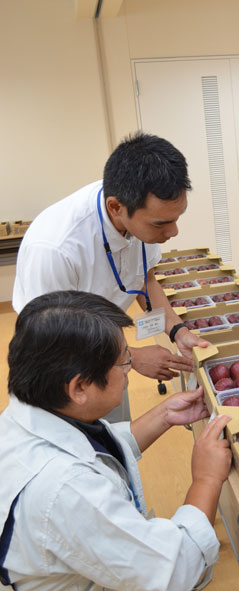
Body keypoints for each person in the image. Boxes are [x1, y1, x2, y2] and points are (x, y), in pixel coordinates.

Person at [0, 291, 239, 591]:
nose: (130, 372)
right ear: (79, 387)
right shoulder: (64, 491)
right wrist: (206, 479)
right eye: (123, 363)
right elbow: (173, 564)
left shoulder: (26, 419)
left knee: (194, 561)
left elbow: (97, 452)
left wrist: (164, 416)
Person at [13, 132, 209, 418]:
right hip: (59, 367)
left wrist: (178, 331)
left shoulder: (134, 210)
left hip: (106, 349)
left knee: (115, 439)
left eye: (177, 218)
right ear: (115, 207)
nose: (172, 232)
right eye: (161, 224)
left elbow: (146, 279)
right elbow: (50, 338)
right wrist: (132, 357)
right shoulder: (55, 248)